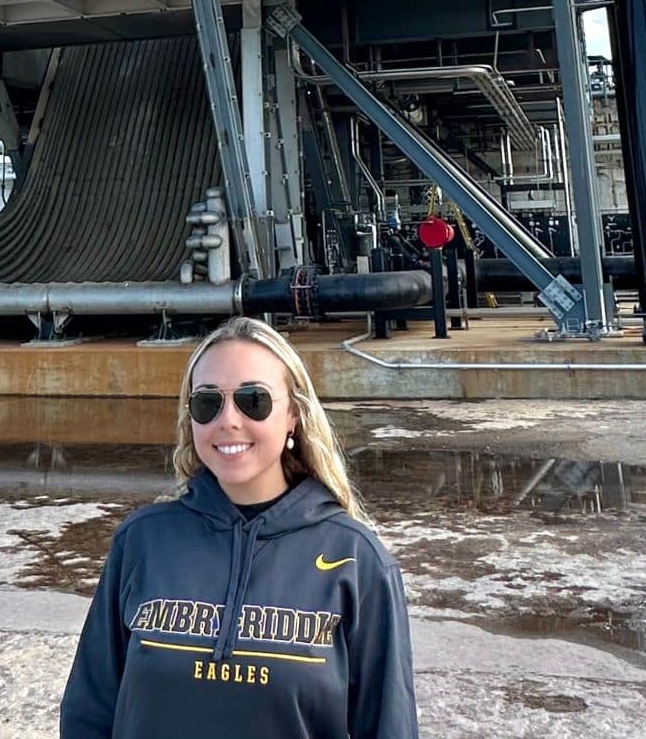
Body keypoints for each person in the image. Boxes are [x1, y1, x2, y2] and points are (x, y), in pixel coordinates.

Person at [60, 314, 418, 738]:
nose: (227, 420)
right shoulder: (143, 541)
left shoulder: (356, 559)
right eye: (208, 402)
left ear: (293, 416)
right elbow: (90, 710)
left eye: (254, 400)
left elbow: (388, 726)